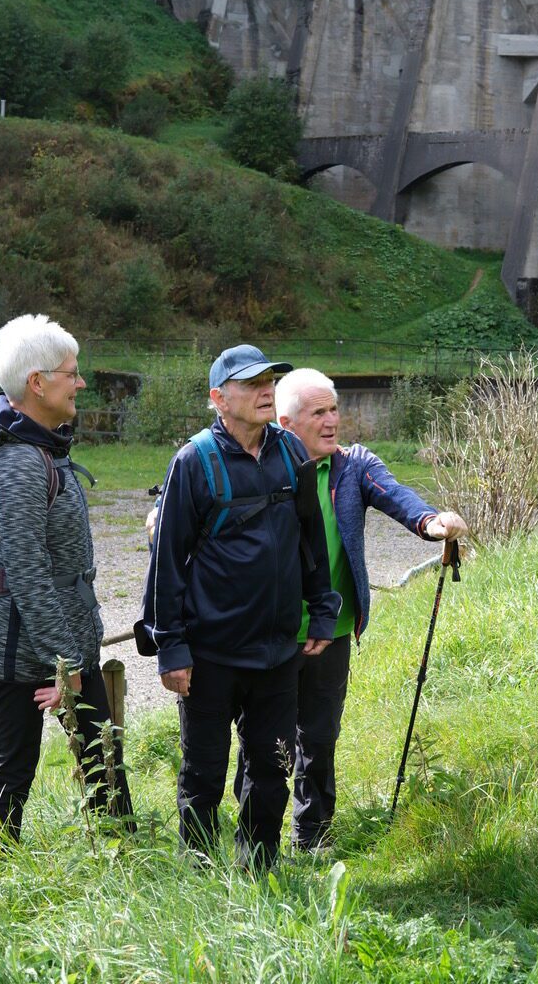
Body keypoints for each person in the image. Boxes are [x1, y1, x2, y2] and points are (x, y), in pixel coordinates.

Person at [138, 345, 340, 870]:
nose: (265, 390)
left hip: (277, 652)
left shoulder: (291, 452)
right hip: (211, 653)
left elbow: (311, 540)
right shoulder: (194, 462)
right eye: (251, 383)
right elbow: (167, 563)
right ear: (219, 398)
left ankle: (260, 867)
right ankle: (199, 869)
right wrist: (171, 648)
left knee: (271, 768)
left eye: (269, 380)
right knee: (203, 771)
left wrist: (322, 609)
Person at [273, 366, 468, 853]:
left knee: (319, 738)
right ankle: (258, 845)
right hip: (270, 630)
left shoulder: (354, 466)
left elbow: (396, 496)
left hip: (333, 629)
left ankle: (313, 839)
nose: (331, 421)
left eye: (334, 409)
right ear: (285, 422)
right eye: (318, 413)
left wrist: (432, 522)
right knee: (268, 743)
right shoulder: (263, 467)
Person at [0, 313, 133, 840]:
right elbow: (28, 574)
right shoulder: (17, 464)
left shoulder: (44, 446)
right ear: (37, 383)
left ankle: (126, 861)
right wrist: (66, 666)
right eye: (71, 373)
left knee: (103, 757)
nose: (80, 382)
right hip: (19, 647)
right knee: (15, 768)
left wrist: (71, 657)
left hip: (61, 639)